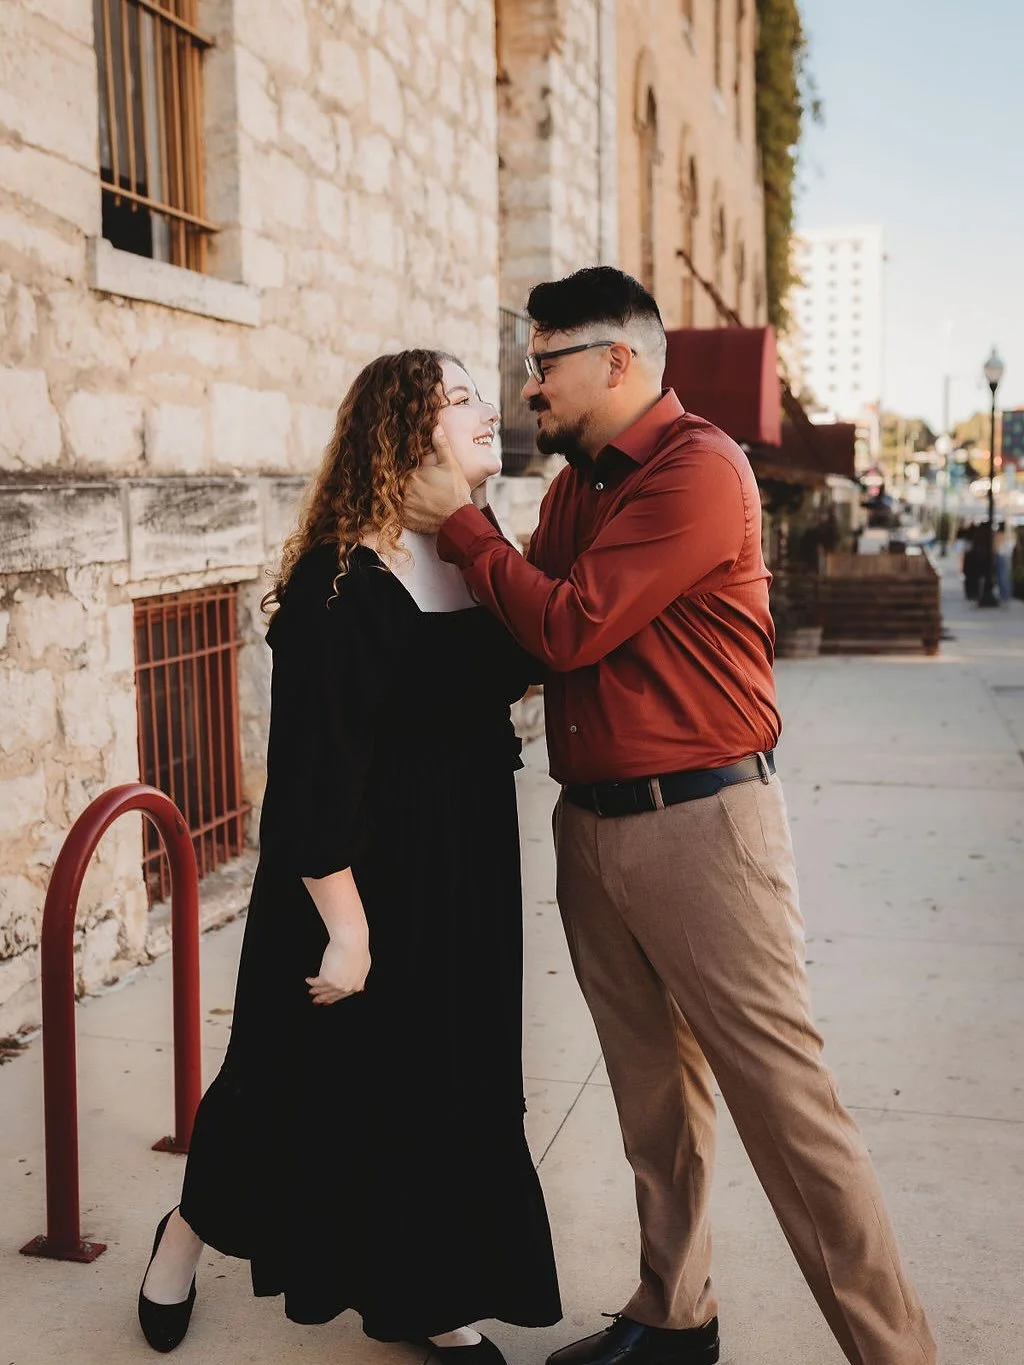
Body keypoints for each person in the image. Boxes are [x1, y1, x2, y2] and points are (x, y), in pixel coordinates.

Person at [403, 267, 936, 1365]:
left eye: (544, 362)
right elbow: (514, 632)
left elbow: (568, 628)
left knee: (789, 1114)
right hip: (590, 823)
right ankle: (672, 1314)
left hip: (702, 827)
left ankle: (898, 1356)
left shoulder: (700, 470)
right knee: (654, 1096)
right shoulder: (574, 489)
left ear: (617, 361)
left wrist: (460, 527)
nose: (528, 385)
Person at [136, 350, 561, 1359]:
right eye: (459, 400)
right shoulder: (339, 575)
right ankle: (184, 1235)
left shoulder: (474, 548)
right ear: (404, 432)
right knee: (287, 1087)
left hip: (460, 869)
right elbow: (313, 775)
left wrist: (476, 531)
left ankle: (425, 1292)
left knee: (446, 1084)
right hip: (353, 876)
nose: (487, 411)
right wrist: (349, 928)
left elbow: (534, 651)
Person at [994, 521, 1015, 603]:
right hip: (1007, 556)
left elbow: (996, 547)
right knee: (1004, 576)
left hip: (1001, 555)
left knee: (1001, 576)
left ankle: (1004, 594)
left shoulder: (999, 535)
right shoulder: (1009, 535)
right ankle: (1006, 594)